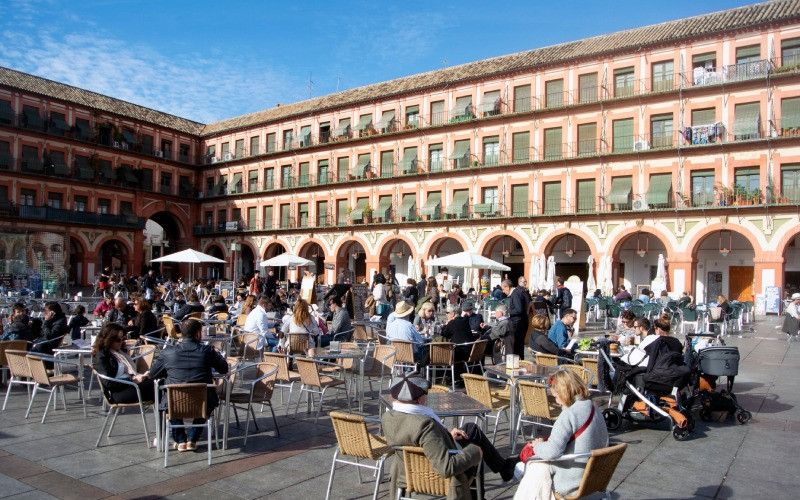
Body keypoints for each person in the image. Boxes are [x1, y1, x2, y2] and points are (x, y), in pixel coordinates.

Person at [382, 372, 519, 500]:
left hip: (409, 469)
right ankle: (484, 490)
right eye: (425, 393)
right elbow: (446, 468)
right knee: (476, 446)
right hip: (435, 475)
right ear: (419, 399)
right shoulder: (424, 424)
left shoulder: (388, 418)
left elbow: (416, 440)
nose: (426, 396)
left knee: (471, 429)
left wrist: (447, 436)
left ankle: (504, 468)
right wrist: (475, 451)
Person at [514, 369, 608, 499]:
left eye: (556, 397)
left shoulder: (570, 414)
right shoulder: (593, 407)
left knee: (526, 467)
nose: (557, 402)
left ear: (564, 393)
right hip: (594, 477)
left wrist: (537, 446)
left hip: (572, 480)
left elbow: (553, 451)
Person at [149, 319, 228, 452]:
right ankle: (192, 439)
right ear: (198, 334)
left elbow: (153, 373)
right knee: (205, 399)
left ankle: (180, 440)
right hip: (202, 402)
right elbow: (224, 369)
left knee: (169, 396)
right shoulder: (207, 350)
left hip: (174, 402)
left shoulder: (168, 352)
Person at [92, 323, 155, 403]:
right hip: (118, 392)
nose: (121, 342)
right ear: (109, 339)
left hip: (129, 386)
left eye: (123, 339)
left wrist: (141, 377)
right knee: (158, 386)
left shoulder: (119, 352)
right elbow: (108, 383)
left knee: (159, 381)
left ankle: (165, 412)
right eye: (118, 340)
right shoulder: (102, 355)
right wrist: (132, 381)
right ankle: (166, 412)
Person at [26, 231, 67, 297]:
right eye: (39, 249)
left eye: (55, 249)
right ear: (28, 254)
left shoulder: (62, 281)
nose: (48, 256)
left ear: (64, 257)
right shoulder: (26, 280)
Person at [503, 278, 530, 358]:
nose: (503, 291)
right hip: (521, 322)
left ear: (507, 287)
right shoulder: (518, 292)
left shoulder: (515, 293)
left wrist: (508, 313)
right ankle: (520, 362)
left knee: (517, 345)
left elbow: (519, 309)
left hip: (518, 323)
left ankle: (517, 363)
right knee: (519, 345)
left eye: (503, 288)